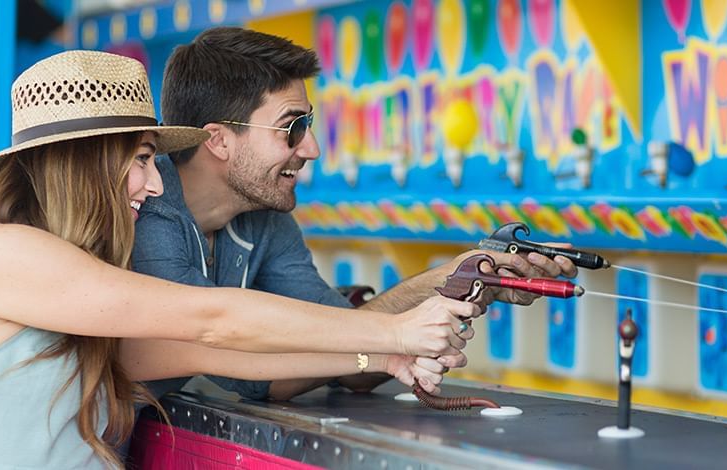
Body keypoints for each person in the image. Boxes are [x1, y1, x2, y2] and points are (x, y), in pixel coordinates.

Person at [0, 50, 478, 469]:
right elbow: (212, 319)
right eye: (143, 159)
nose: (154, 183)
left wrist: (385, 359)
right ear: (85, 164)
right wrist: (397, 331)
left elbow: (221, 355)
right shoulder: (2, 253)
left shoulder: (84, 297)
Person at [134, 26, 579, 401]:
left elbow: (347, 352)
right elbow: (243, 360)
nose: (311, 149)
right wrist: (402, 333)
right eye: (293, 128)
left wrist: (455, 282)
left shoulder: (264, 216)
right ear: (218, 140)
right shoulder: (148, 214)